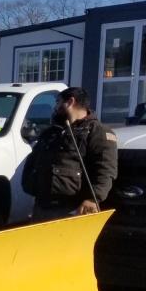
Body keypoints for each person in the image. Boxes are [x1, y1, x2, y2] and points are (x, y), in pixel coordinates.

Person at [22, 87, 118, 221]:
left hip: (73, 209)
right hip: (42, 207)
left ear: (70, 102)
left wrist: (92, 198)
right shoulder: (51, 133)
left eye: (58, 102)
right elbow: (33, 161)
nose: (55, 107)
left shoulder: (98, 132)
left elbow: (106, 170)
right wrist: (30, 184)